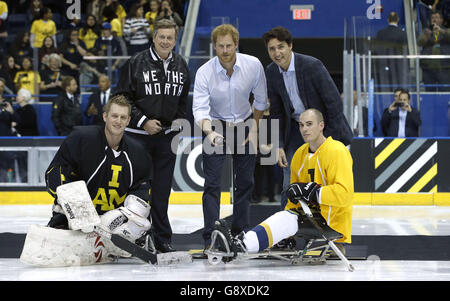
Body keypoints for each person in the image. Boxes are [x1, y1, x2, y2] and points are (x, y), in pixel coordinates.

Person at [213, 109, 354, 258]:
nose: (304, 129)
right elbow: (294, 198)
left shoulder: (337, 151)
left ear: (321, 125)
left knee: (287, 219)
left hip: (330, 221)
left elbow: (344, 194)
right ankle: (241, 243)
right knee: (285, 217)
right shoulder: (299, 154)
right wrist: (286, 233)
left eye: (309, 124)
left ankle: (241, 245)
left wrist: (313, 192)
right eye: (301, 125)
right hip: (309, 215)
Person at [115, 19, 190, 253]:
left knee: (161, 191)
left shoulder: (182, 65)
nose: (166, 41)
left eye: (170, 38)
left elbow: (183, 99)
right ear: (154, 37)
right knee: (134, 189)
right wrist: (143, 121)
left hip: (167, 138)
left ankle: (162, 239)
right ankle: (128, 236)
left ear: (175, 40)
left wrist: (177, 122)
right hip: (137, 137)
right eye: (162, 37)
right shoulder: (136, 62)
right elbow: (121, 97)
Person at [192, 24, 268, 248]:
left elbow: (261, 100)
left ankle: (240, 233)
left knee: (245, 182)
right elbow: (199, 109)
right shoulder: (204, 72)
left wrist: (254, 126)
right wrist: (209, 132)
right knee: (212, 184)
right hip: (214, 124)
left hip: (245, 124)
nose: (225, 50)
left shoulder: (253, 65)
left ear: (236, 44)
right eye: (220, 46)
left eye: (229, 45)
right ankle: (211, 237)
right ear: (214, 46)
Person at [262, 26, 353, 209]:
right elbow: (276, 112)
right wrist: (278, 144)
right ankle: (287, 230)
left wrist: (330, 140)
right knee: (289, 181)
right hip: (295, 130)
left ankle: (328, 227)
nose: (277, 53)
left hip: (325, 129)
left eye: (280, 47)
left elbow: (334, 104)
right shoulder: (271, 72)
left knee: (327, 180)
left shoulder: (312, 66)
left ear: (290, 46)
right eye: (272, 49)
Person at [46, 94, 152, 229]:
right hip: (74, 221)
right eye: (114, 116)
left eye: (123, 117)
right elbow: (54, 173)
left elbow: (142, 189)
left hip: (113, 226)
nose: (118, 121)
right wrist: (78, 209)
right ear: (105, 116)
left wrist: (126, 214)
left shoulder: (138, 152)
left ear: (128, 120)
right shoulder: (80, 139)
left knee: (141, 225)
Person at [374, 11, 409, 90]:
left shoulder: (380, 33)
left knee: (385, 87)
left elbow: (377, 50)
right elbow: (405, 51)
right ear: (398, 19)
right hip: (399, 66)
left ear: (388, 20)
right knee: (399, 88)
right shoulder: (402, 33)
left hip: (383, 65)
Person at [418, 10, 450, 91]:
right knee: (429, 91)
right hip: (428, 68)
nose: (434, 19)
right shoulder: (426, 31)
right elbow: (420, 42)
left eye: (436, 17)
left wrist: (441, 31)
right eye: (432, 18)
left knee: (444, 91)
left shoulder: (446, 30)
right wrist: (428, 34)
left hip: (444, 67)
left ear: (441, 20)